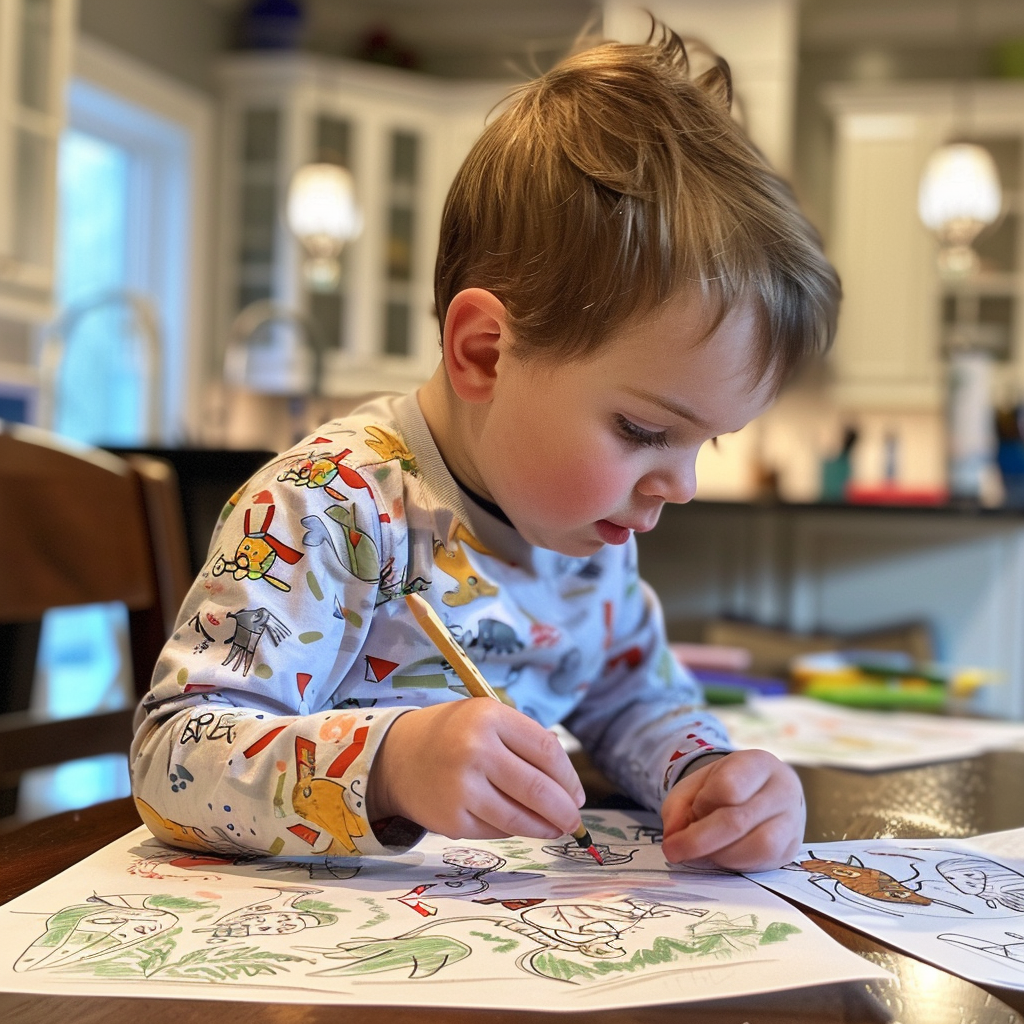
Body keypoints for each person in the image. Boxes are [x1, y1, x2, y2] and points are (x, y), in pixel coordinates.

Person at [131, 21, 840, 873]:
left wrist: (713, 773)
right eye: (645, 432)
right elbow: (170, 758)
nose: (680, 485)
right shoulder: (324, 508)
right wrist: (392, 766)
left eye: (705, 443)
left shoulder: (586, 531)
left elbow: (635, 695)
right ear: (483, 353)